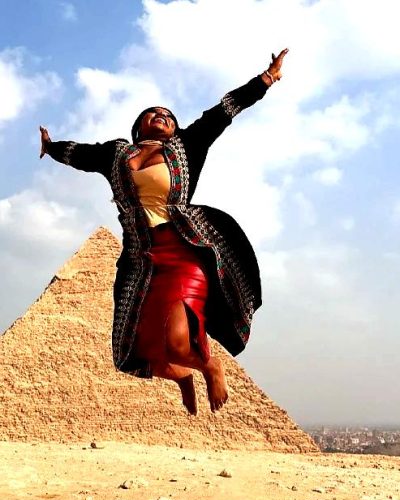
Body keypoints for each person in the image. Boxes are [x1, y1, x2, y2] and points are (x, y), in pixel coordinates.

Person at [40, 49, 288, 415]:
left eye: (169, 116)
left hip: (184, 250)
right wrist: (51, 147)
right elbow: (81, 154)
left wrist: (266, 79)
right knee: (135, 351)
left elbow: (224, 112)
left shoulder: (186, 146)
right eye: (153, 114)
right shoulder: (117, 154)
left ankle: (210, 366)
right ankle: (184, 378)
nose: (163, 116)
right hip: (139, 260)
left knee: (176, 340)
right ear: (138, 127)